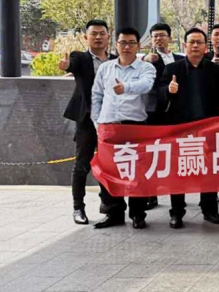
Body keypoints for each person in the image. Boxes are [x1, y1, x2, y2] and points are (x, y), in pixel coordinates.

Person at [159, 28, 219, 228]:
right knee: (178, 172)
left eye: (199, 42)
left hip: (207, 128)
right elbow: (159, 95)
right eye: (192, 42)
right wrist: (168, 91)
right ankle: (176, 212)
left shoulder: (214, 70)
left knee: (209, 171)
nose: (195, 46)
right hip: (181, 129)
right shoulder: (172, 69)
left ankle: (210, 210)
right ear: (184, 45)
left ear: (206, 47)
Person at [90, 27, 157, 229]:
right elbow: (96, 96)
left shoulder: (146, 68)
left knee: (137, 172)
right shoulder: (106, 68)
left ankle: (138, 214)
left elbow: (146, 85)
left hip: (134, 126)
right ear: (116, 44)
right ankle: (114, 213)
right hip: (109, 126)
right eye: (123, 43)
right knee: (109, 172)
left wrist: (126, 87)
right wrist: (97, 122)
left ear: (138, 46)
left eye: (131, 43)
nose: (127, 47)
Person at [59, 19, 115, 225]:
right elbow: (71, 65)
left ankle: (108, 205)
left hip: (111, 120)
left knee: (109, 164)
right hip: (86, 120)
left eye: (102, 33)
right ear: (86, 37)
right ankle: (78, 208)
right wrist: (66, 66)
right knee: (82, 164)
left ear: (108, 36)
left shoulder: (116, 60)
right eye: (94, 34)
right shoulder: (80, 58)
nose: (98, 37)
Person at [142, 22, 184, 210]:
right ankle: (151, 194)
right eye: (155, 36)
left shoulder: (179, 59)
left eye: (162, 35)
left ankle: (178, 197)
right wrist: (144, 60)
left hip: (176, 113)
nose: (158, 39)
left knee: (176, 155)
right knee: (152, 154)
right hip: (154, 112)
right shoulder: (147, 60)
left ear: (170, 38)